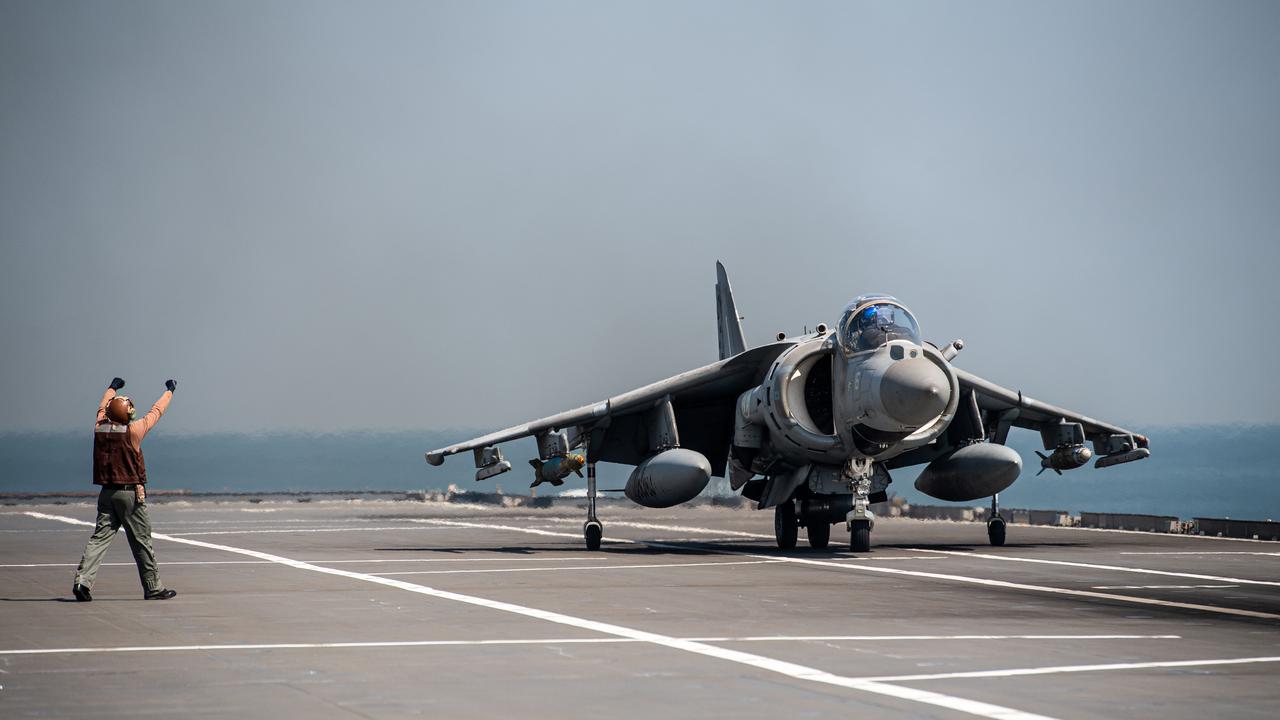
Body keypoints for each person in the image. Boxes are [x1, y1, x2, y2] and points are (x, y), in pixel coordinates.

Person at [72, 377, 178, 601]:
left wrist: (112, 388)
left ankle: (82, 582)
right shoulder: (134, 431)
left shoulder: (99, 427)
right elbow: (156, 411)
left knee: (99, 539)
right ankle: (153, 587)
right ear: (128, 414)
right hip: (130, 494)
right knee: (142, 541)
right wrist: (170, 391)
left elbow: (102, 406)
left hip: (106, 493)